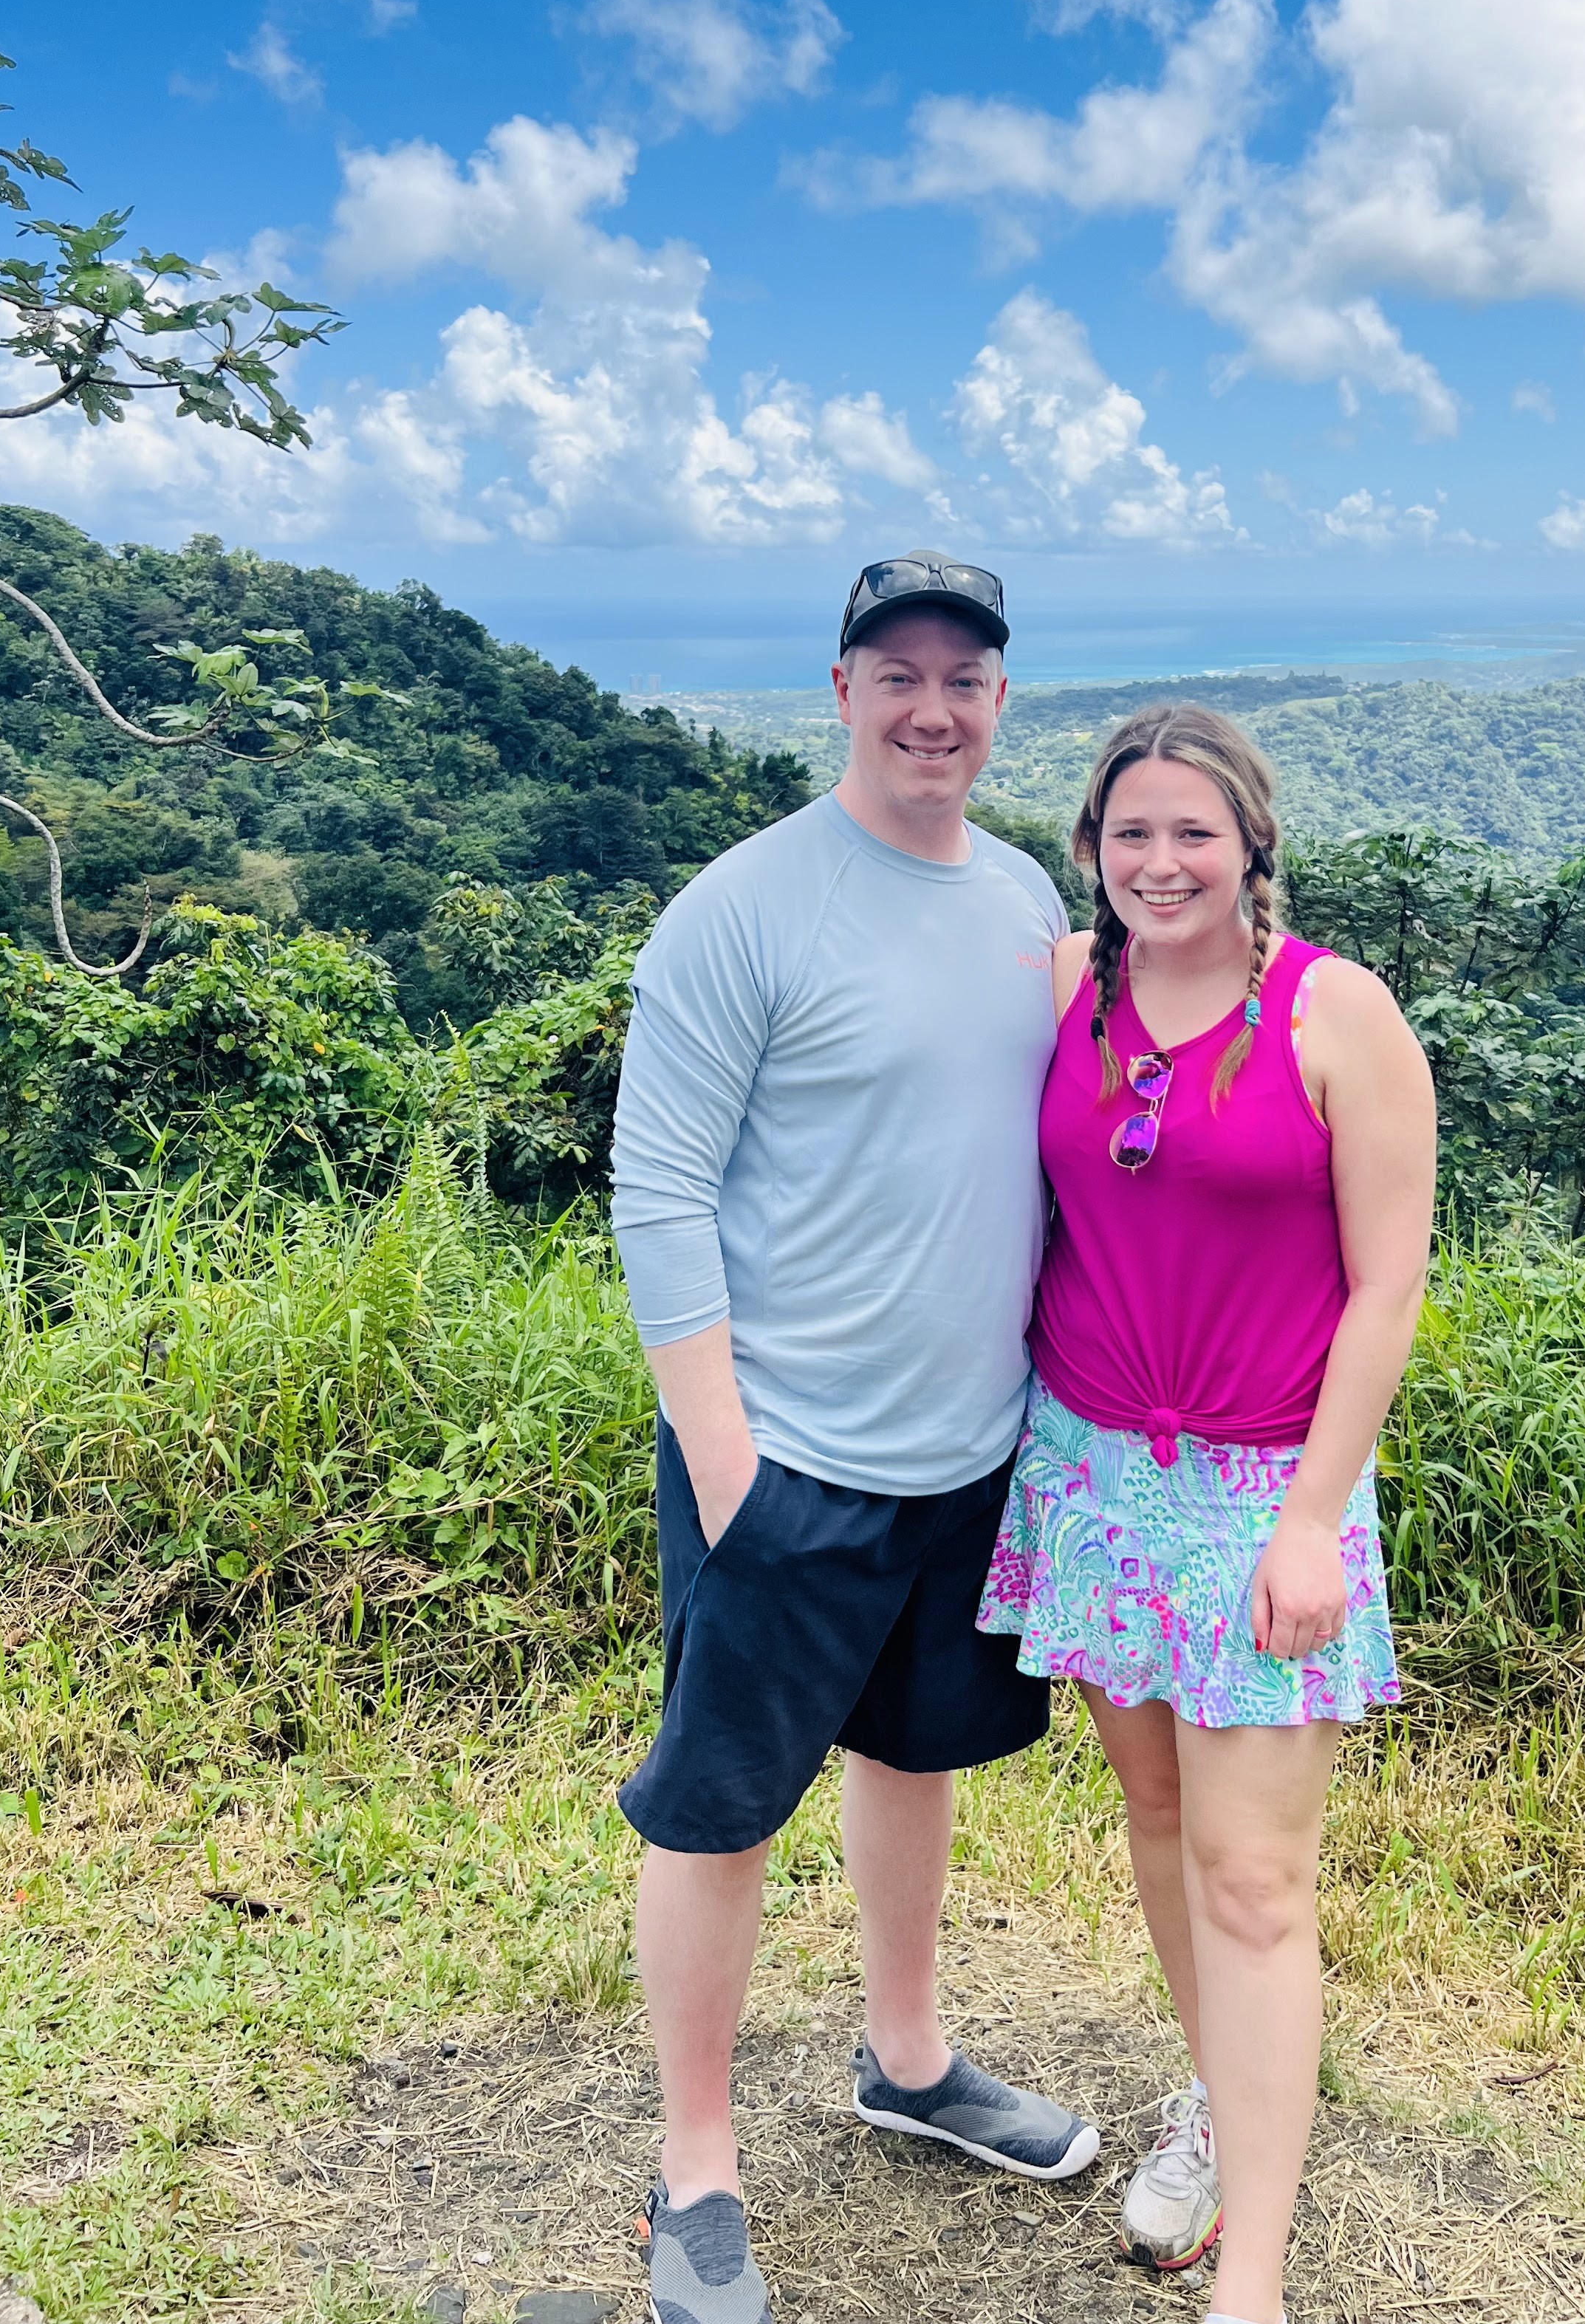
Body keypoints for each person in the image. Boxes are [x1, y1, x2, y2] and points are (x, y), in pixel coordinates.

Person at [610, 551, 1101, 2324]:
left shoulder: (1022, 895)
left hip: (968, 1451)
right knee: (720, 1807)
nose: (931, 707)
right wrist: (725, 1455)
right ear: (838, 691)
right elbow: (657, 1190)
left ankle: (906, 2059)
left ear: (996, 705)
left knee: (916, 1756)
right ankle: (697, 2171)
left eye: (965, 678)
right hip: (788, 1451)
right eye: (895, 672)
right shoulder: (742, 910)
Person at [979, 702, 1435, 2324]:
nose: (1160, 862)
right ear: (1091, 853)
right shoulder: (1066, 991)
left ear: (1252, 843)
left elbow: (1388, 1288)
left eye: (1192, 832)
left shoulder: (1337, 1015)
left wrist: (1314, 1519)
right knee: (1161, 1823)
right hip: (1092, 1474)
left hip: (1261, 1490)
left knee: (1257, 1879)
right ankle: (1218, 2099)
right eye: (1129, 834)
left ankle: (1254, 2275)